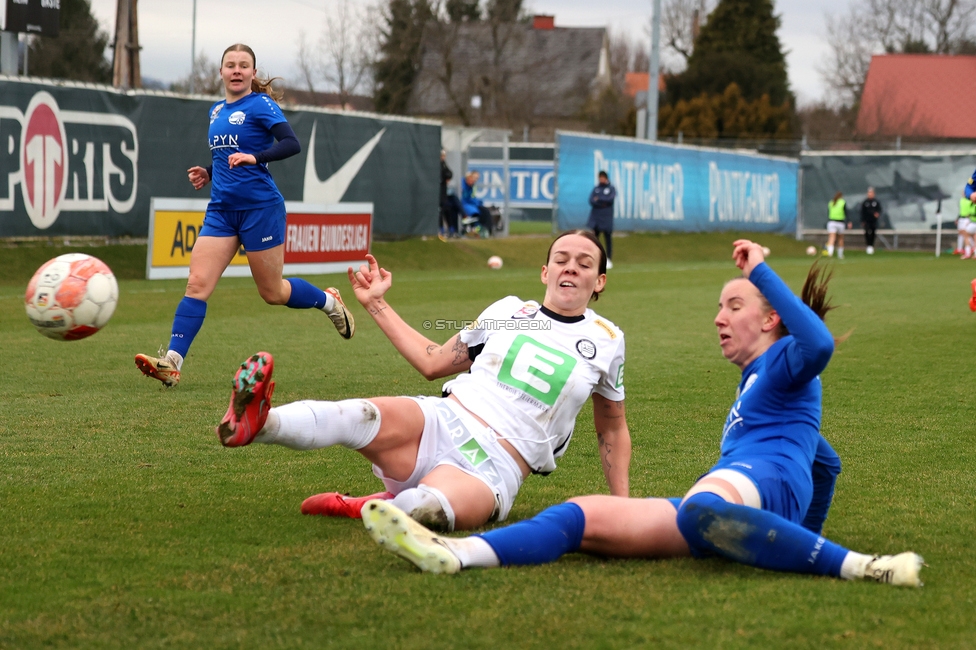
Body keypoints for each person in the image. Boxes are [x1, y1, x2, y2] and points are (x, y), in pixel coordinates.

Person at [363, 240, 925, 588]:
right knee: (578, 517)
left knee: (704, 507)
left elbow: (820, 346)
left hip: (741, 490)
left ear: (773, 317)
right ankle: (457, 553)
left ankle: (863, 565)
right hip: (740, 501)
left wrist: (760, 272)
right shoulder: (764, 382)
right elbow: (826, 464)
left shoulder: (785, 362)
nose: (718, 319)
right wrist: (799, 534)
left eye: (735, 305)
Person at [216, 230, 630, 532]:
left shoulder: (607, 340)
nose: (571, 266)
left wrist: (623, 508)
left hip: (494, 466)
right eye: (561, 258)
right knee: (359, 414)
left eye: (584, 262)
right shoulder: (509, 311)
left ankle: (373, 505)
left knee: (422, 509)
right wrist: (376, 304)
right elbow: (434, 363)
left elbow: (611, 425)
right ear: (545, 271)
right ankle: (257, 423)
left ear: (600, 281)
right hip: (441, 419)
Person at [134, 43, 355, 387]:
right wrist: (209, 171)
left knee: (273, 293)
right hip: (221, 211)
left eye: (243, 65)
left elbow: (290, 143)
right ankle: (172, 363)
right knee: (197, 284)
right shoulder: (216, 110)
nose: (236, 70)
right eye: (230, 65)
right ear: (220, 72)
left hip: (260, 209)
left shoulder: (261, 104)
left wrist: (256, 157)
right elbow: (227, 156)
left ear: (253, 73)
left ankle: (328, 301)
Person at [587, 171, 616, 269]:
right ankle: (595, 258)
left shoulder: (611, 189)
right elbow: (591, 200)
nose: (601, 179)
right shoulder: (596, 189)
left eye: (603, 178)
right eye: (600, 178)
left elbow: (610, 200)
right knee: (595, 239)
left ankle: (608, 259)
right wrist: (602, 202)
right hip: (596, 218)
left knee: (608, 239)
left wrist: (598, 200)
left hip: (607, 218)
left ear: (606, 178)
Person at [461, 171, 493, 237]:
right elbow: (464, 198)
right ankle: (479, 229)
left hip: (472, 204)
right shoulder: (462, 185)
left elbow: (472, 197)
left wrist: (478, 203)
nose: (474, 181)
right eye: (473, 178)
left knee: (485, 211)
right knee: (477, 213)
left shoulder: (472, 186)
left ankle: (486, 229)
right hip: (466, 205)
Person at [439, 150, 460, 239]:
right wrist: (445, 177)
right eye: (442, 156)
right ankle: (441, 229)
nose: (443, 158)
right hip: (438, 193)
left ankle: (451, 229)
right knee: (440, 210)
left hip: (443, 193)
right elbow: (443, 175)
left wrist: (446, 177)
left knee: (447, 208)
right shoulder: (437, 165)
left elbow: (449, 173)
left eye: (444, 156)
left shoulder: (444, 164)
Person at [824, 191, 849, 258]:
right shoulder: (842, 202)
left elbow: (829, 212)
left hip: (831, 222)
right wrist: (849, 221)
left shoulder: (831, 202)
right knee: (840, 238)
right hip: (840, 222)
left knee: (831, 238)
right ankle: (840, 255)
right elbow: (846, 212)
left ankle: (830, 253)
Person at [860, 187, 881, 255]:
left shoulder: (876, 202)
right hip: (867, 221)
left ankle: (871, 245)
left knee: (873, 233)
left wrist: (877, 214)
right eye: (869, 193)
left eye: (871, 193)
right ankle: (868, 245)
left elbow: (879, 210)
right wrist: (862, 220)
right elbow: (862, 212)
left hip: (873, 221)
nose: (870, 194)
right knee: (867, 233)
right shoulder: (865, 202)